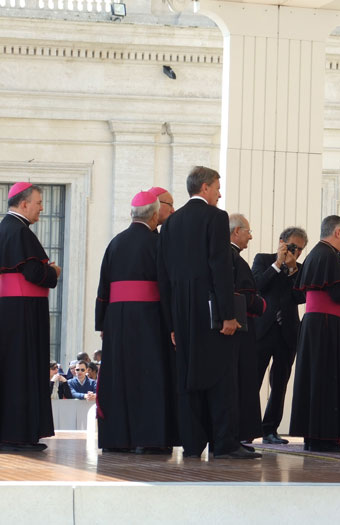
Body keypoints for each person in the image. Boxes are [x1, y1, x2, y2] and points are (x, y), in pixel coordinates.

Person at [158, 166, 258, 459]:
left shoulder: (171, 223)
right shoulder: (216, 217)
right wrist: (229, 314)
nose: (219, 192)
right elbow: (219, 267)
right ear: (204, 188)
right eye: (217, 187)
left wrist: (171, 324)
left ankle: (192, 444)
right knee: (222, 375)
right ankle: (224, 442)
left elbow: (162, 275)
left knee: (189, 377)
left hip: (181, 311)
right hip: (210, 309)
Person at [95, 190, 179, 454]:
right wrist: (173, 323)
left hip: (117, 320)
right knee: (151, 376)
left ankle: (117, 439)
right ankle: (150, 439)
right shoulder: (160, 243)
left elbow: (103, 288)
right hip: (150, 318)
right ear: (155, 215)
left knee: (120, 376)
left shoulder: (115, 242)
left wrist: (102, 325)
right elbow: (167, 287)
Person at [289, 215, 340, 452]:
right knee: (327, 379)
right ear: (338, 232)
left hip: (316, 325)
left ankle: (314, 436)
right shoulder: (328, 256)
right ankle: (325, 437)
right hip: (328, 326)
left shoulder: (316, 255)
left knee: (316, 378)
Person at [0, 182, 61, 452]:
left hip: (7, 311)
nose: (42, 208)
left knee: (8, 371)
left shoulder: (4, 229)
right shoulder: (20, 232)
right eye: (38, 202)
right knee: (22, 371)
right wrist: (54, 272)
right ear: (23, 204)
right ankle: (20, 435)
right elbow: (35, 274)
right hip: (24, 313)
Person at [251, 227, 307, 445]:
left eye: (301, 249)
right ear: (282, 242)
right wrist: (278, 265)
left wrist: (292, 270)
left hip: (287, 332)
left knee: (280, 383)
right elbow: (257, 286)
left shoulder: (300, 269)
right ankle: (247, 427)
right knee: (252, 380)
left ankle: (270, 429)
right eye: (293, 247)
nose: (297, 253)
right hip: (263, 329)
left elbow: (301, 296)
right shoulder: (263, 260)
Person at [229, 213, 266, 450]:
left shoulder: (230, 257)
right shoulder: (234, 259)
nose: (250, 236)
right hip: (239, 333)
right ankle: (239, 436)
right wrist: (261, 304)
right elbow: (244, 298)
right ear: (236, 231)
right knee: (241, 383)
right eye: (248, 231)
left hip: (235, 332)